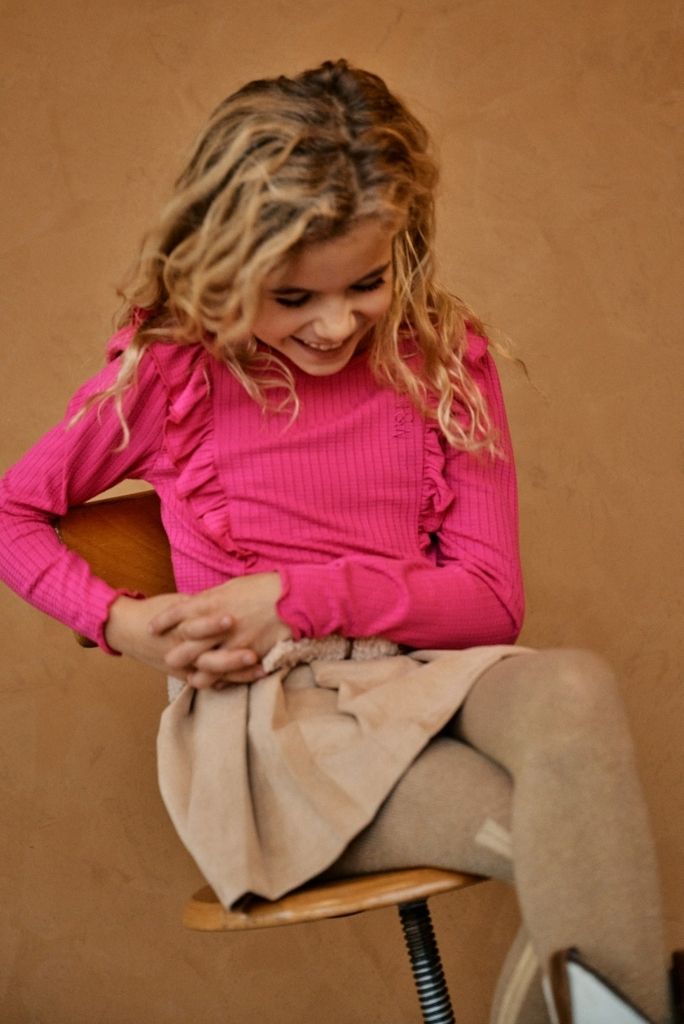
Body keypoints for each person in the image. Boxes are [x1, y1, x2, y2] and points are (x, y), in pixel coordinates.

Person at [0, 59, 672, 1023]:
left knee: (571, 690)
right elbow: (13, 512)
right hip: (279, 726)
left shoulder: (440, 357)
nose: (334, 325)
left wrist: (295, 594)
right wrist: (122, 622)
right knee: (580, 837)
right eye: (292, 298)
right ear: (224, 265)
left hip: (433, 674)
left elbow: (489, 600)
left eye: (364, 284)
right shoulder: (171, 374)